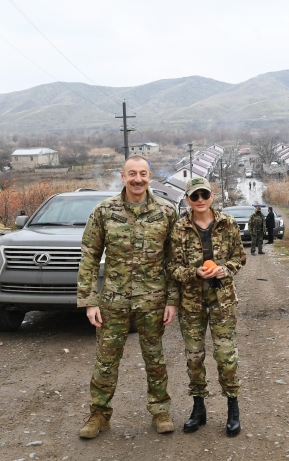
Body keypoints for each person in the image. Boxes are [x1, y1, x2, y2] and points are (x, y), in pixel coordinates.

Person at [77, 155, 178, 439]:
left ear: (150, 177)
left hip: (153, 299)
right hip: (113, 300)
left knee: (155, 356)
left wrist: (172, 300)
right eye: (132, 173)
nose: (137, 179)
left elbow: (174, 259)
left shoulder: (166, 212)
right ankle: (99, 414)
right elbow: (89, 257)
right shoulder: (104, 211)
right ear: (122, 177)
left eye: (143, 174)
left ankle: (160, 409)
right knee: (106, 359)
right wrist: (89, 301)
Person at [168, 176, 246, 436]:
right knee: (194, 357)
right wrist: (195, 273)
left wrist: (224, 269)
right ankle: (198, 407)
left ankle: (232, 408)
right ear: (187, 200)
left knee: (225, 356)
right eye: (194, 196)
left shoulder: (228, 223)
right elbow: (172, 268)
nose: (200, 200)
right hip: (192, 304)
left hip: (222, 301)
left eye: (204, 195)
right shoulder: (179, 229)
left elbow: (240, 257)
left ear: (212, 197)